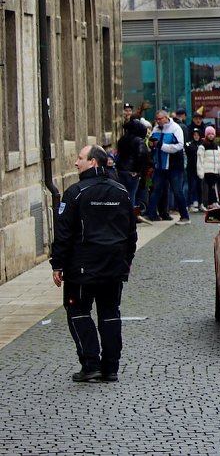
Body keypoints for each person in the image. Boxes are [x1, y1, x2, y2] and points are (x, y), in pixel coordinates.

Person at [50, 145, 137, 382]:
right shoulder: (121, 191)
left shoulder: (75, 193)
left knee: (78, 311)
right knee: (110, 313)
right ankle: (111, 368)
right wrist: (127, 260)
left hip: (82, 267)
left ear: (93, 162)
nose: (76, 162)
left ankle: (91, 364)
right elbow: (131, 232)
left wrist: (57, 264)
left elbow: (64, 233)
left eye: (80, 158)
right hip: (113, 265)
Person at [145, 110, 190, 224]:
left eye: (160, 119)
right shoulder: (156, 129)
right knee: (156, 190)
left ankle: (185, 216)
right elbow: (151, 144)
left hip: (174, 165)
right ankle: (151, 214)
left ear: (166, 118)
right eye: (156, 119)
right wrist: (151, 145)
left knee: (177, 191)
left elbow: (179, 146)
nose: (158, 121)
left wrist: (161, 146)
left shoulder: (175, 128)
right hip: (160, 165)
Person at [197, 126, 220, 209]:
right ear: (206, 135)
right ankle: (211, 202)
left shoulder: (216, 146)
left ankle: (214, 202)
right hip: (207, 170)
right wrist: (200, 172)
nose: (210, 135)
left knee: (213, 186)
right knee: (210, 187)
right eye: (209, 134)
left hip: (215, 170)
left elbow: (219, 160)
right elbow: (200, 160)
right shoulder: (202, 146)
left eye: (212, 134)